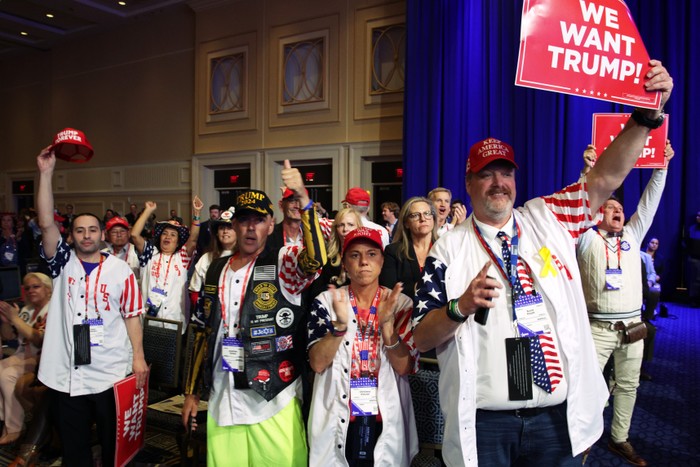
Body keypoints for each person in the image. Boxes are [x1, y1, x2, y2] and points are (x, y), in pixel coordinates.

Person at [411, 57, 673, 467]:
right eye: (486, 174)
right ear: (468, 183)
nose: (498, 183)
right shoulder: (448, 248)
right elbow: (421, 338)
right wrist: (460, 307)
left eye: (505, 173)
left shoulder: (547, 216)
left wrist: (644, 118)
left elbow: (603, 179)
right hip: (487, 426)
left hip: (557, 418)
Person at [181, 160, 327, 466]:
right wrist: (192, 393)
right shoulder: (214, 268)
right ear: (233, 225)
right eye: (244, 220)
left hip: (273, 397)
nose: (250, 227)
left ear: (270, 225)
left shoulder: (284, 262)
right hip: (224, 393)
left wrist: (302, 196)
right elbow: (202, 333)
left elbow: (316, 259)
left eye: (258, 221)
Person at [34, 145, 148, 467]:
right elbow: (45, 222)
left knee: (115, 449)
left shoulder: (120, 270)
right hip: (68, 373)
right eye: (80, 230)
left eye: (92, 230)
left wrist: (138, 358)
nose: (86, 235)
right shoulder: (61, 264)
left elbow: (132, 316)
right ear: (70, 236)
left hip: (111, 372)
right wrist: (46, 173)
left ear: (102, 235)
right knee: (75, 451)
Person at [578, 140, 674, 466]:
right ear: (598, 212)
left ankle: (619, 439)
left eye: (620, 208)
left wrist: (661, 166)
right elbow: (581, 204)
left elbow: (649, 202)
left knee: (629, 386)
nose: (618, 211)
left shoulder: (633, 236)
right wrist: (588, 172)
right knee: (589, 388)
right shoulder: (586, 237)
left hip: (632, 327)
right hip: (596, 328)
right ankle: (585, 439)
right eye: (610, 208)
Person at [307, 227, 419, 465]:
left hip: (384, 417)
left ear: (381, 261)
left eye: (371, 254)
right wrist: (339, 327)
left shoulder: (399, 303)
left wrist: (387, 326)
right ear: (345, 264)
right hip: (338, 416)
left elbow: (404, 367)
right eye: (355, 255)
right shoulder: (327, 302)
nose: (364, 262)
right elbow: (317, 363)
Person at [131, 198, 202, 331]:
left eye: (173, 235)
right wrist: (148, 211)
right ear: (159, 237)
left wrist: (196, 214)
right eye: (165, 233)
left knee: (174, 352)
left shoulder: (182, 257)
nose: (168, 237)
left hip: (175, 321)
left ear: (178, 241)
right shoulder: (150, 254)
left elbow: (193, 239)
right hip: (149, 321)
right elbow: (135, 235)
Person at [0, 272, 52, 445]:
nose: (31, 291)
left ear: (47, 289)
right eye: (27, 288)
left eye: (36, 287)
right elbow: (7, 336)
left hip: (42, 357)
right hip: (22, 354)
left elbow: (39, 339)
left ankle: (15, 428)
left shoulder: (52, 309)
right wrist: (7, 321)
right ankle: (5, 422)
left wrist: (15, 319)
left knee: (7, 375)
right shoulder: (27, 310)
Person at [379, 196, 438, 297]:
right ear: (406, 223)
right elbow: (387, 290)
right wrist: (419, 287)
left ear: (433, 219)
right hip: (406, 310)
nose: (423, 219)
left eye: (427, 213)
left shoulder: (445, 248)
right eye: (415, 215)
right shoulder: (393, 251)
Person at [307, 208, 363, 302]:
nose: (345, 229)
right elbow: (315, 291)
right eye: (341, 225)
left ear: (359, 227)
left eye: (350, 225)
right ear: (335, 229)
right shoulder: (327, 254)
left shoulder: (367, 256)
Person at [188, 207, 236, 307]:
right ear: (217, 233)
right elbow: (194, 291)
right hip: (211, 312)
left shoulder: (245, 257)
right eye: (222, 228)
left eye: (229, 228)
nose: (225, 231)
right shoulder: (206, 258)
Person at [685, 212, 700, 307]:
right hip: (694, 259)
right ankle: (694, 299)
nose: (698, 217)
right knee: (694, 281)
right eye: (697, 215)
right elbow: (687, 243)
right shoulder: (692, 229)